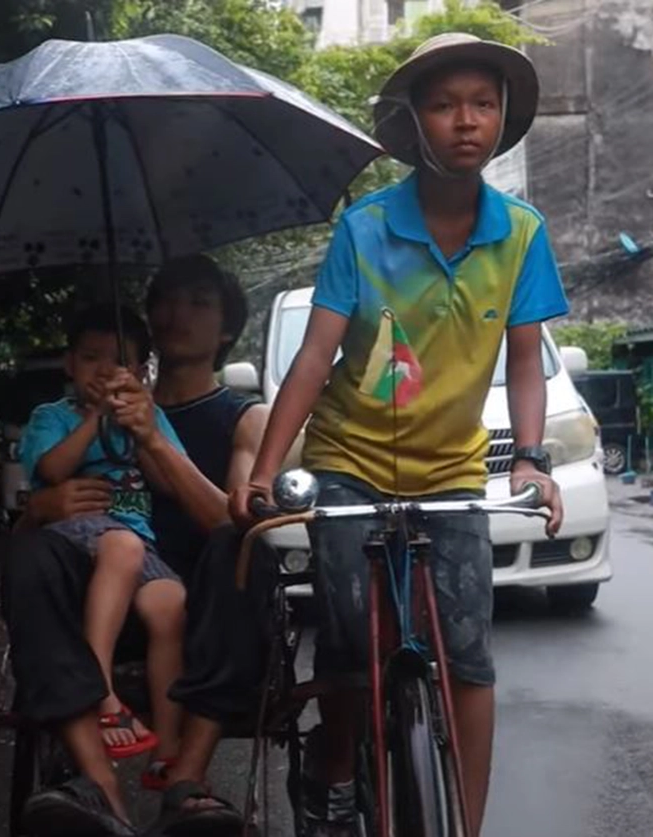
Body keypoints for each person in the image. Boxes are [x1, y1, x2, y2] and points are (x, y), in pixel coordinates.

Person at [230, 33, 567, 837]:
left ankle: (471, 823)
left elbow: (524, 360)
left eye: (483, 104)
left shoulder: (521, 232)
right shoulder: (366, 227)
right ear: (415, 121)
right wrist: (266, 471)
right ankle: (337, 774)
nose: (466, 121)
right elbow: (315, 356)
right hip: (349, 462)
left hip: (450, 471)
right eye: (445, 104)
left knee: (470, 652)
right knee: (347, 635)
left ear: (502, 118)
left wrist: (530, 459)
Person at [2, 255, 272, 837]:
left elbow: (228, 521)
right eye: (168, 300)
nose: (179, 314)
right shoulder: (71, 414)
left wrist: (152, 438)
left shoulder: (243, 417)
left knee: (245, 546)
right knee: (28, 554)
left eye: (199, 302)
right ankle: (99, 789)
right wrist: (41, 508)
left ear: (227, 327)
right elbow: (38, 512)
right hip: (91, 596)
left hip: (195, 607)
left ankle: (185, 780)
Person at [18, 305, 187, 766]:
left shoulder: (144, 415)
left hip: (136, 537)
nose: (104, 369)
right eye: (91, 357)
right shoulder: (52, 415)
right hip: (75, 538)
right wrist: (94, 418)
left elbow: (169, 482)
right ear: (69, 364)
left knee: (169, 601)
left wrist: (143, 429)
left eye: (119, 360)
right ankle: (104, 697)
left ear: (137, 370)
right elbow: (49, 470)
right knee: (121, 545)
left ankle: (168, 749)